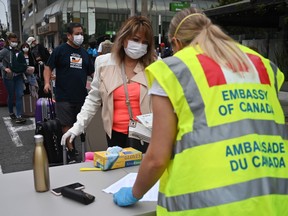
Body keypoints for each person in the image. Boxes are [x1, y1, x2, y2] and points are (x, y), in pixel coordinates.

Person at [113, 7, 288, 215]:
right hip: (273, 198)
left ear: (176, 42)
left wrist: (134, 193)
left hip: (208, 203)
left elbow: (157, 158)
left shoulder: (175, 69)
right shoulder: (261, 64)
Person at [61, 16, 156, 153]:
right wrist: (77, 127)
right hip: (115, 136)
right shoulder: (104, 63)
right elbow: (93, 99)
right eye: (135, 40)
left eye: (145, 42)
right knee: (118, 172)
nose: (140, 45)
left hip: (147, 136)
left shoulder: (155, 65)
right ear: (123, 39)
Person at [43, 22, 94, 163]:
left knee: (80, 125)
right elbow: (48, 67)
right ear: (69, 35)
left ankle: (78, 148)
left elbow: (93, 72)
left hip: (81, 96)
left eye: (81, 34)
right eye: (77, 34)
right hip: (63, 96)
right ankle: (71, 151)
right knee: (66, 125)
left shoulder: (84, 53)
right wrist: (47, 82)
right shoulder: (60, 50)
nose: (80, 36)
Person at [0, 33, 27, 124]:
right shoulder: (4, 51)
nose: (14, 43)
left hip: (18, 76)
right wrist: (4, 68)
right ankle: (11, 112)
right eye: (13, 41)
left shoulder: (18, 50)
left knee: (19, 94)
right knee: (11, 95)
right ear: (8, 41)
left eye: (16, 41)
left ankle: (19, 115)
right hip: (8, 78)